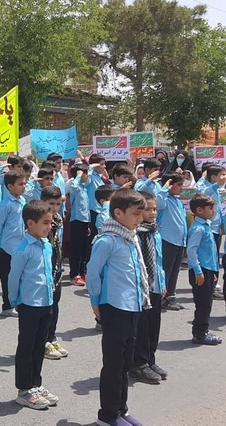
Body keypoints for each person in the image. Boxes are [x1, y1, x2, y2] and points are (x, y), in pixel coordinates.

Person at [87, 188, 149, 426]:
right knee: (113, 364)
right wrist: (95, 303)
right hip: (114, 307)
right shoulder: (107, 240)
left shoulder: (130, 237)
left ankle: (121, 410)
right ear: (118, 213)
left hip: (132, 306)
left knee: (125, 363)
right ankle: (108, 415)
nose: (140, 219)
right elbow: (93, 273)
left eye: (141, 213)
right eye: (136, 214)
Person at [9, 200, 58, 410]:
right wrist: (14, 300)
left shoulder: (46, 245)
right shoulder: (23, 249)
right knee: (26, 346)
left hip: (46, 302)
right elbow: (14, 277)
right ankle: (24, 389)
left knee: (40, 346)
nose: (49, 226)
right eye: (45, 223)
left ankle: (35, 384)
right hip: (29, 304)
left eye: (50, 222)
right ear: (30, 223)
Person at [129, 192, 168, 385]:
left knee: (154, 325)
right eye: (147, 209)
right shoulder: (134, 234)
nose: (152, 213)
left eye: (154, 209)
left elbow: (158, 261)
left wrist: (162, 283)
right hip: (140, 288)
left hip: (155, 286)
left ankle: (150, 359)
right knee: (142, 327)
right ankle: (139, 364)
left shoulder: (155, 231)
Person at [187, 193, 222, 345]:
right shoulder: (198, 228)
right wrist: (198, 271)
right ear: (199, 210)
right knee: (202, 304)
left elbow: (210, 252)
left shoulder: (206, 225)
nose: (213, 211)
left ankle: (204, 330)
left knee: (207, 303)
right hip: (200, 270)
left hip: (208, 269)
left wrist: (213, 272)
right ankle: (199, 334)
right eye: (210, 208)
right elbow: (191, 251)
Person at [40, 186, 69, 360]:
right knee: (46, 308)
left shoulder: (58, 220)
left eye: (58, 204)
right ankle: (43, 341)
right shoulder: (38, 222)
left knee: (55, 305)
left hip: (56, 269)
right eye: (51, 203)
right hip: (44, 270)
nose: (55, 207)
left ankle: (52, 337)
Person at [0, 171, 27, 317]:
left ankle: (17, 302)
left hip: (20, 246)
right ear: (10, 187)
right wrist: (0, 242)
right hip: (7, 247)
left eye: (24, 183)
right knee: (7, 278)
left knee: (19, 276)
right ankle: (7, 306)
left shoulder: (23, 201)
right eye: (20, 184)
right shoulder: (6, 204)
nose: (24, 186)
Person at [156, 173, 187, 311]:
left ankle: (171, 297)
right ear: (170, 184)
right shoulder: (164, 199)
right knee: (166, 271)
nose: (181, 188)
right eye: (179, 185)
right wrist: (164, 188)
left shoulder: (177, 201)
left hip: (179, 241)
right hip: (167, 240)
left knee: (175, 271)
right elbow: (158, 203)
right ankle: (162, 298)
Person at [68, 163, 90, 286]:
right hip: (76, 221)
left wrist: (88, 224)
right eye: (85, 174)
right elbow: (74, 185)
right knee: (76, 250)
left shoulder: (84, 188)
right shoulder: (75, 186)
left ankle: (82, 273)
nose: (87, 176)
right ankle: (74, 274)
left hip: (84, 222)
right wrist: (78, 175)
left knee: (84, 250)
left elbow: (86, 208)